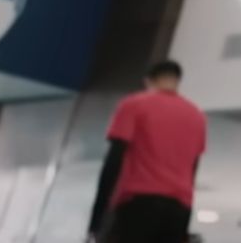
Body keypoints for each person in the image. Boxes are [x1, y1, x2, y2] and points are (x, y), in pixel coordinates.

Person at [89, 60, 207, 243]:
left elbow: (114, 160)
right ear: (177, 81)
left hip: (137, 204)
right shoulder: (197, 116)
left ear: (148, 81)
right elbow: (192, 170)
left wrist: (97, 218)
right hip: (179, 209)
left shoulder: (134, 104)